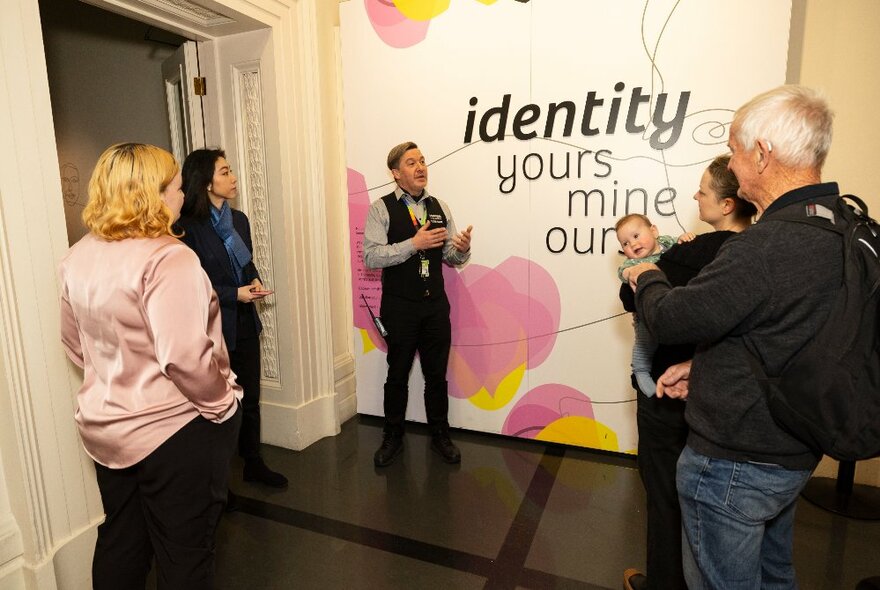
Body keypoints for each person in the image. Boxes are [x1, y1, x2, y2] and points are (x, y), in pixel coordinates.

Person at [627, 85, 841, 589]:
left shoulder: (767, 246)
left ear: (762, 154)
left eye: (736, 149)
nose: (733, 163)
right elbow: (794, 334)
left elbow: (675, 319)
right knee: (773, 576)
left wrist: (648, 275)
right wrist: (704, 367)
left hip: (736, 461)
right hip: (793, 451)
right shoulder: (838, 225)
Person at [59, 143, 242, 589]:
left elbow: (74, 345)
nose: (182, 196)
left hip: (107, 430)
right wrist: (223, 404)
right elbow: (184, 358)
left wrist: (118, 372)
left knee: (122, 541)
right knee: (185, 556)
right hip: (174, 429)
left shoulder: (78, 254)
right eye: (177, 188)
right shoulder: (168, 257)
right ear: (152, 195)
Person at [619, 155, 755, 590]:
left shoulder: (692, 252)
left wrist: (643, 276)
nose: (695, 195)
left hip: (667, 393)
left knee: (664, 494)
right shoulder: (755, 251)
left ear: (728, 203)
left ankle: (663, 583)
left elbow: (634, 299)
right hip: (722, 400)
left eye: (702, 190)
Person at [177, 148, 288, 488]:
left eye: (230, 171)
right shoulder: (187, 228)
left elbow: (245, 262)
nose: (233, 177)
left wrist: (253, 280)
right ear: (206, 182)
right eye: (224, 172)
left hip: (244, 322)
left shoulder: (238, 220)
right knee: (218, 407)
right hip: (213, 328)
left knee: (250, 398)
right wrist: (232, 293)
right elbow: (190, 284)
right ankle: (218, 482)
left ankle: (253, 462)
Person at [363, 141, 473, 467]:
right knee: (397, 375)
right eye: (411, 163)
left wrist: (462, 248)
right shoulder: (380, 208)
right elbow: (371, 256)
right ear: (396, 173)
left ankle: (440, 434)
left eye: (422, 161)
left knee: (436, 375)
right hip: (399, 307)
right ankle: (392, 437)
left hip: (435, 307)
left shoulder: (440, 206)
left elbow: (451, 257)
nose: (421, 167)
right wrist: (414, 243)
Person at [615, 214, 693, 397]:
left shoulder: (668, 244)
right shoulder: (634, 263)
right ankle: (642, 374)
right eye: (625, 244)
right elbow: (622, 271)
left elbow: (681, 248)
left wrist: (684, 239)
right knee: (644, 344)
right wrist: (631, 272)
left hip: (671, 309)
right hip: (646, 316)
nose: (632, 245)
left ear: (654, 231)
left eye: (636, 236)